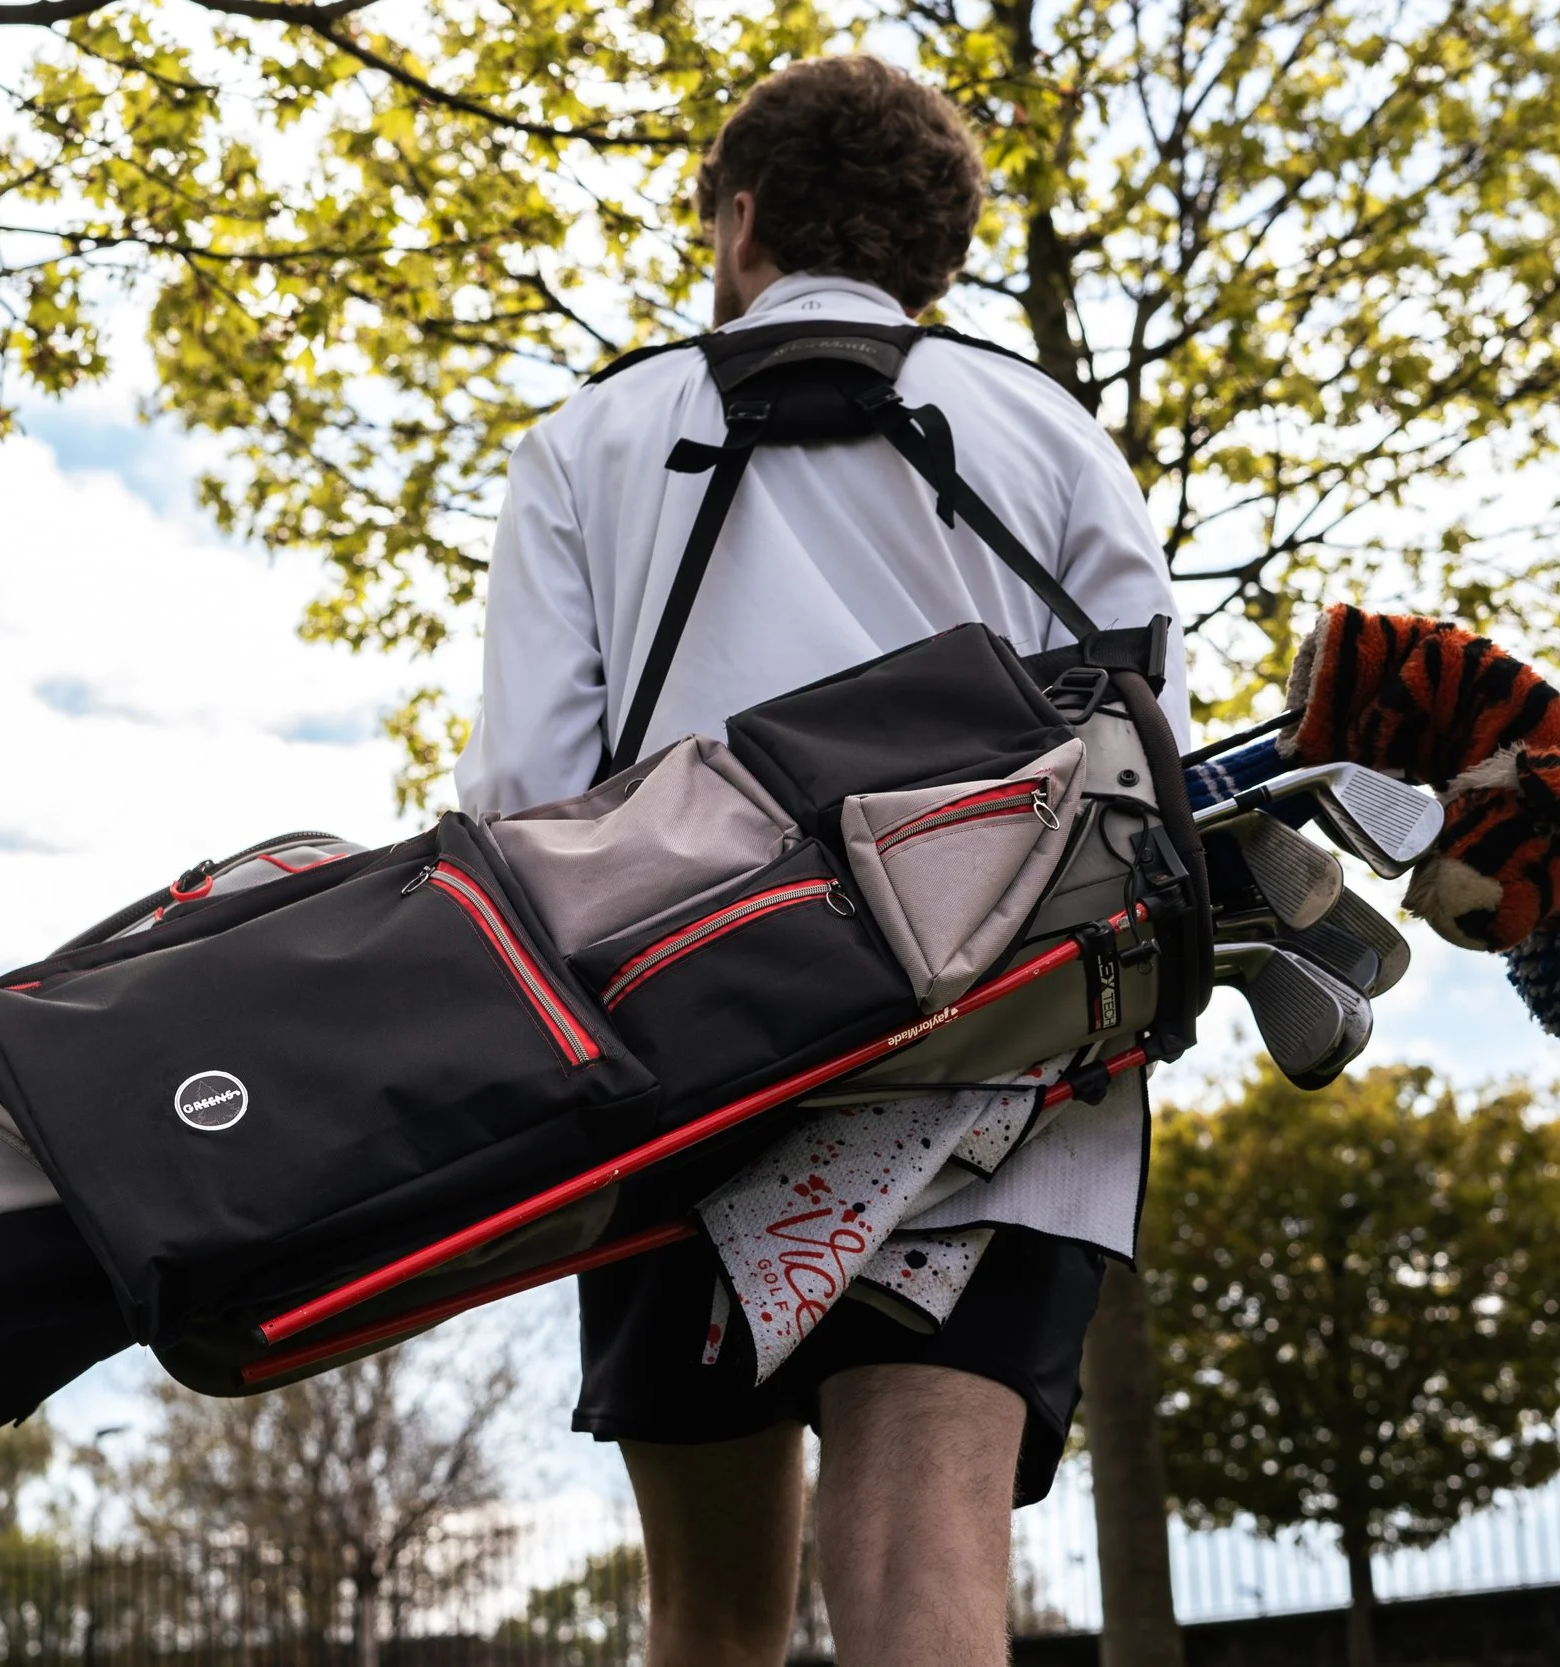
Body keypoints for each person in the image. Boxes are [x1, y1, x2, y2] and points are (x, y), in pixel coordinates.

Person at [451, 56, 1188, 1667]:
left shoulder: (591, 441)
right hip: (999, 1069)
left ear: (742, 220)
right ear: (938, 254)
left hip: (687, 1059)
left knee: (708, 1618)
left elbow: (520, 796)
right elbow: (1149, 768)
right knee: (931, 1593)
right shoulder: (1054, 433)